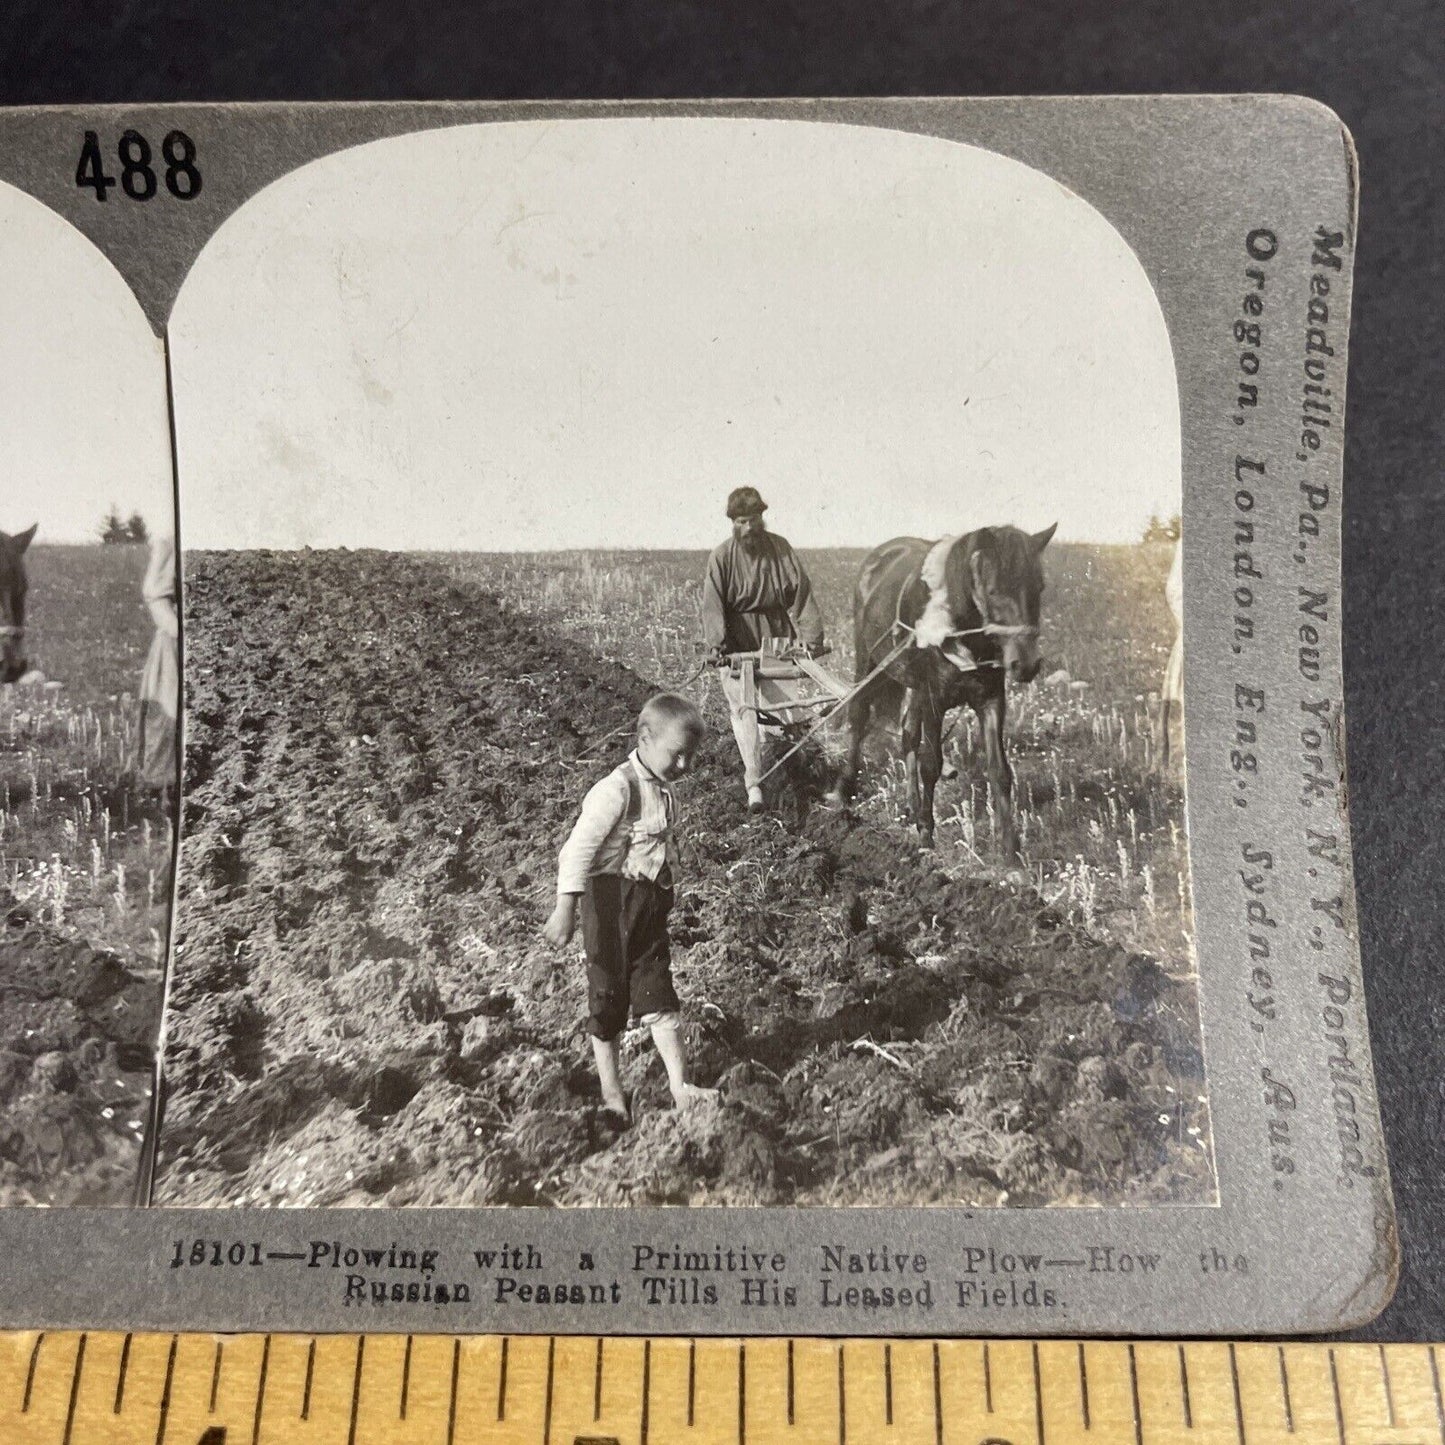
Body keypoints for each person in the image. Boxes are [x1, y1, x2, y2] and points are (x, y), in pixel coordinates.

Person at [542, 693, 717, 1119]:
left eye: (690, 757)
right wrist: (565, 907)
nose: (684, 767)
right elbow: (577, 851)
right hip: (609, 907)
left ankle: (680, 1087)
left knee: (659, 993)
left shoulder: (665, 790)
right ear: (644, 738)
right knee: (608, 998)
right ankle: (612, 1094)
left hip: (647, 910)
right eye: (677, 756)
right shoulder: (617, 790)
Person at [701, 487, 824, 811]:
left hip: (776, 636)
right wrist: (717, 645)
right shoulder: (723, 557)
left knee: (785, 710)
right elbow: (713, 605)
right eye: (742, 521)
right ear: (733, 523)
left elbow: (801, 594)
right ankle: (754, 779)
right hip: (737, 640)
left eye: (754, 519)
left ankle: (796, 776)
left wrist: (811, 639)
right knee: (746, 711)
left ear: (762, 518)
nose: (749, 527)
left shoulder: (780, 550)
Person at [132, 529, 180, 801]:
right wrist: (179, 631)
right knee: (167, 714)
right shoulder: (170, 540)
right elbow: (155, 595)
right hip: (177, 644)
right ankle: (163, 787)